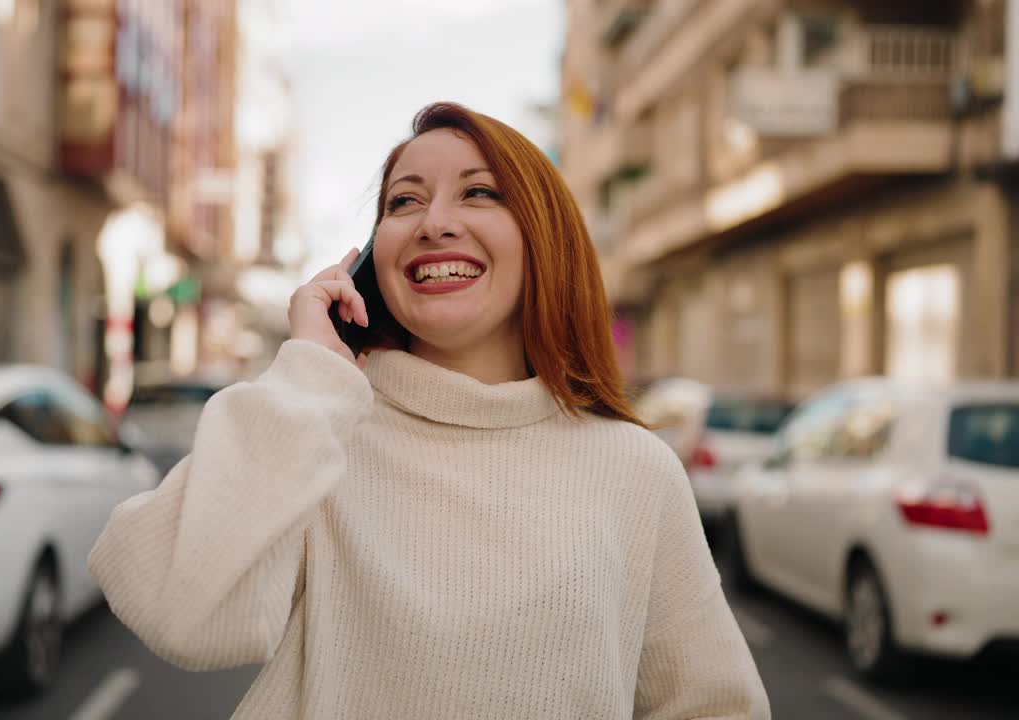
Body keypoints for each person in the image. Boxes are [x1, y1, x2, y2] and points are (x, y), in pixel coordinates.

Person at [89, 102, 771, 719]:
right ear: (369, 264)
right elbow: (171, 606)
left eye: (479, 192)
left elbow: (712, 706)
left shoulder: (635, 469)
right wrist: (310, 374)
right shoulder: (315, 434)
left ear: (544, 242)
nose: (434, 223)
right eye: (403, 202)